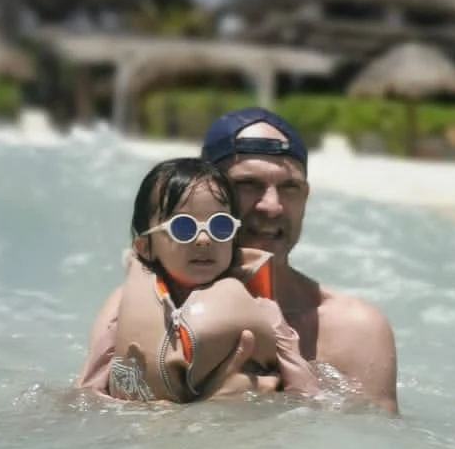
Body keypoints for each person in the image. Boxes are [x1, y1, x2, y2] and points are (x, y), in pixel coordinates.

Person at [78, 107, 399, 413]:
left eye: (290, 187)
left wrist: (263, 408)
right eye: (248, 184)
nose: (272, 206)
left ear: (305, 197)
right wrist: (203, 413)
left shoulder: (357, 331)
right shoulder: (128, 309)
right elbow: (90, 421)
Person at [95, 156, 317, 404]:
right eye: (183, 227)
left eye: (220, 226)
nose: (204, 239)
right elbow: (87, 400)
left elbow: (306, 401)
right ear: (145, 247)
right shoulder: (122, 316)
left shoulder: (265, 313)